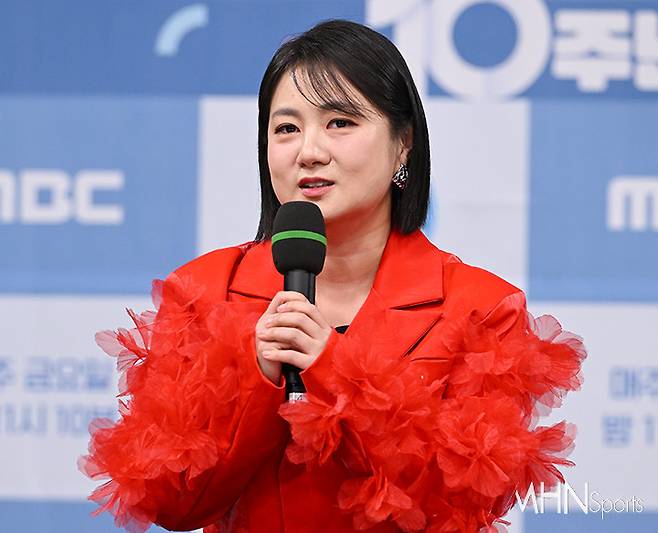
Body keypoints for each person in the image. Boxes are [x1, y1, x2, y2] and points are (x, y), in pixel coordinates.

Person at [79, 19, 586, 533]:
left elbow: (457, 507)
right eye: (286, 129)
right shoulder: (204, 291)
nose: (310, 151)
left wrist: (333, 370)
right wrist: (257, 377)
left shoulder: (482, 309)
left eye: (340, 122)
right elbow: (171, 503)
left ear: (403, 143)